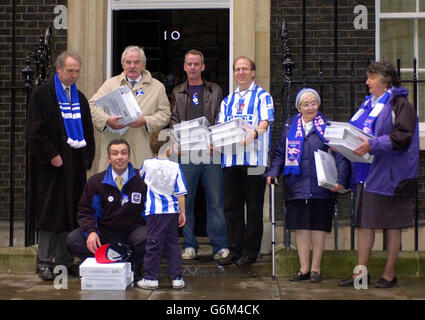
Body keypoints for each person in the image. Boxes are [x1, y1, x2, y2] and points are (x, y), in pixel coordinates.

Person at [338, 61, 419, 289]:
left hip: (392, 175)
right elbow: (359, 131)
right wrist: (342, 142)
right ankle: (360, 275)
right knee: (365, 224)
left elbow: (403, 136)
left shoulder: (401, 105)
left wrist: (373, 145)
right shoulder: (368, 103)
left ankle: (390, 274)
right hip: (368, 172)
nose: (367, 82)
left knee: (392, 224)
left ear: (385, 80)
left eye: (371, 78)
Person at [265, 88, 350, 282]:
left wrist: (341, 180)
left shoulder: (327, 126)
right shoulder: (289, 126)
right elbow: (279, 153)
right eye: (306, 104)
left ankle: (316, 269)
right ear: (299, 108)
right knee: (301, 227)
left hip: (321, 185)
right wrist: (273, 172)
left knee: (318, 227)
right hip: (296, 185)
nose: (311, 107)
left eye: (314, 103)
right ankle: (303, 268)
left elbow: (340, 153)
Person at [25, 51, 95, 281]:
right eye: (69, 71)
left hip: (73, 167)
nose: (73, 75)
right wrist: (51, 154)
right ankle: (44, 261)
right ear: (58, 69)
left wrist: (87, 158)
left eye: (76, 71)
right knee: (49, 213)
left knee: (71, 213)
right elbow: (34, 132)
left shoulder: (80, 98)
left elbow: (87, 129)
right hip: (50, 168)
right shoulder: (42, 95)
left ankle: (64, 261)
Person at [170, 49, 229, 262]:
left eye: (196, 64)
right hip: (187, 155)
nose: (193, 67)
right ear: (184, 66)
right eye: (189, 64)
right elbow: (174, 120)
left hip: (212, 154)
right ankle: (189, 245)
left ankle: (220, 246)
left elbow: (221, 119)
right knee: (186, 202)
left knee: (215, 202)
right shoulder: (177, 91)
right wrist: (177, 141)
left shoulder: (215, 90)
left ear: (203, 67)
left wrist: (217, 141)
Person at [216, 56, 274, 267]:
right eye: (237, 69)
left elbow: (265, 122)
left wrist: (255, 133)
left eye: (244, 69)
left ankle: (251, 252)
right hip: (231, 161)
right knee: (232, 207)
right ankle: (234, 250)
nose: (240, 72)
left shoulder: (263, 96)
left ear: (252, 72)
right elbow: (221, 128)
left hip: (255, 161)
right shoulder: (228, 101)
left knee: (254, 207)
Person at [66, 139, 147, 279]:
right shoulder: (95, 182)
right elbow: (85, 211)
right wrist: (91, 232)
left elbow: (151, 210)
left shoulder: (142, 179)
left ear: (129, 156)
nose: (119, 157)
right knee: (73, 240)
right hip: (104, 232)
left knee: (149, 237)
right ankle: (106, 264)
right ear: (109, 158)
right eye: (115, 153)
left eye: (123, 153)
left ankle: (131, 267)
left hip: (132, 232)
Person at [89, 45, 171, 170]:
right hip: (115, 151)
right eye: (128, 62)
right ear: (123, 65)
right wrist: (107, 120)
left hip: (141, 150)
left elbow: (165, 114)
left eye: (136, 62)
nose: (132, 66)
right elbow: (91, 106)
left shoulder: (157, 87)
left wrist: (145, 121)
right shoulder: (110, 84)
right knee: (113, 188)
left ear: (143, 64)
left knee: (139, 186)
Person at [136, 130, 187, 290]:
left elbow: (140, 181)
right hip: (171, 212)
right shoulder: (176, 167)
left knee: (153, 244)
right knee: (172, 244)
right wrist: (182, 213)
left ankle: (151, 277)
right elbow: (181, 195)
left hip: (154, 212)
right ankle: (177, 277)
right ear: (169, 148)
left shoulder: (147, 165)